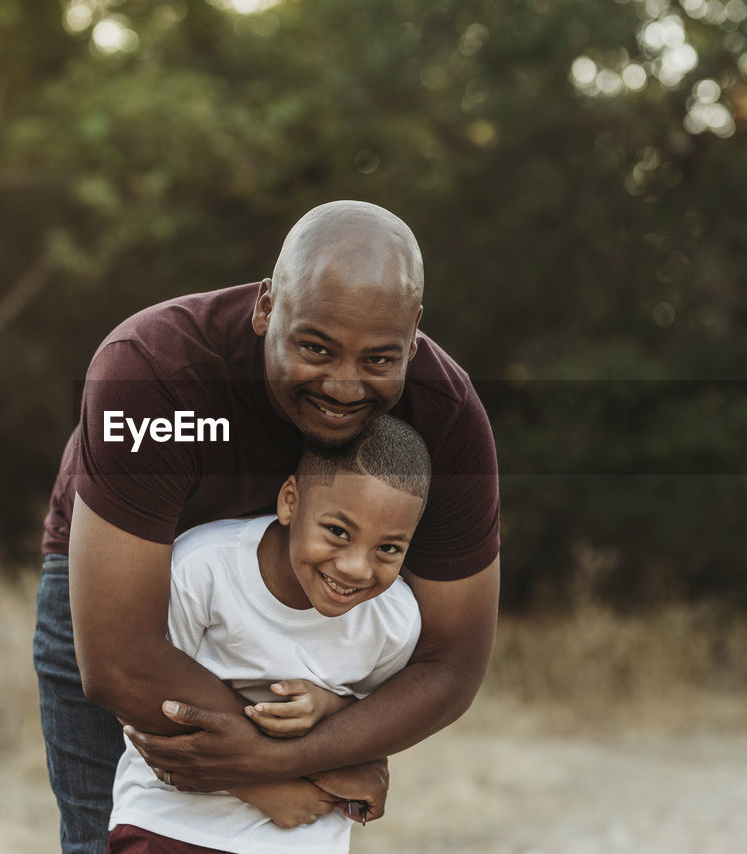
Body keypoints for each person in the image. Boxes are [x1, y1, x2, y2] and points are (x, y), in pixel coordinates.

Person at [34, 200, 500, 854]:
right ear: (265, 307)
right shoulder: (155, 371)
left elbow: (452, 663)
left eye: (378, 360)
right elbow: (118, 657)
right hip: (126, 593)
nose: (344, 385)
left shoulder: (446, 420)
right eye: (315, 348)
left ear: (414, 333)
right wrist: (306, 766)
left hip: (298, 626)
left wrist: (277, 761)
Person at [109, 416, 430, 854]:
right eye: (337, 531)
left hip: (302, 841)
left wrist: (330, 706)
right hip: (170, 826)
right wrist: (261, 785)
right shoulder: (202, 567)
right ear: (290, 501)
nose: (357, 567)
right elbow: (141, 698)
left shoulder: (393, 622)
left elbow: (373, 722)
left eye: (388, 549)